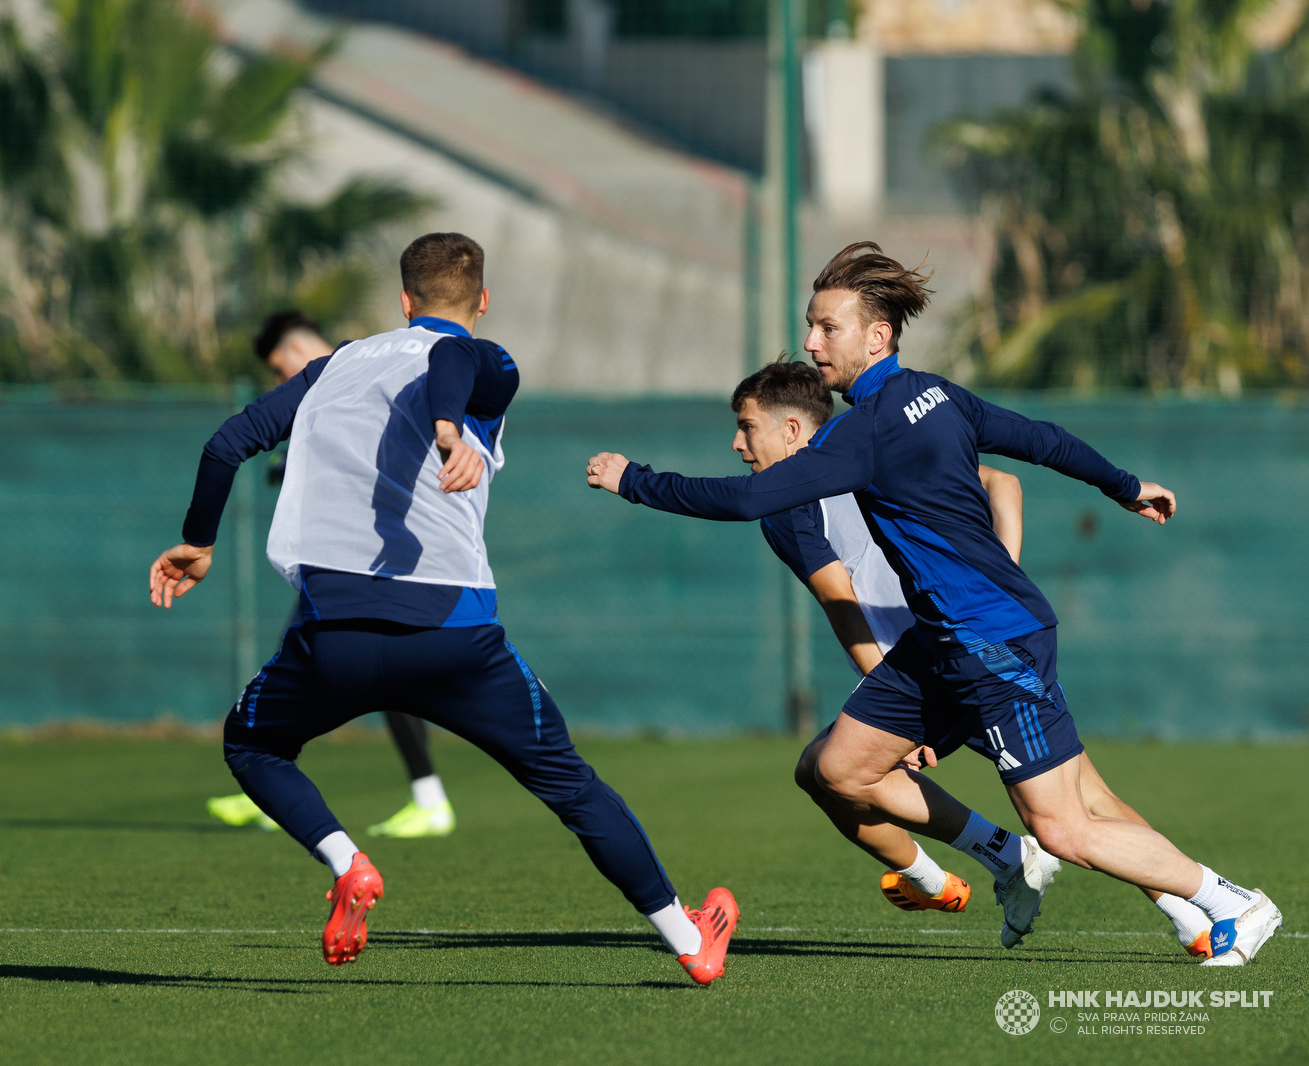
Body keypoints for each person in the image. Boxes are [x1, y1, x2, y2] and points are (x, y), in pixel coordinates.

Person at [586, 242, 1281, 967]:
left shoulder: (865, 429)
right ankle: (1011, 861)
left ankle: (1229, 901)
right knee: (840, 768)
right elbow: (1038, 442)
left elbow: (747, 497)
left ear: (877, 335)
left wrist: (635, 479)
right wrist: (1123, 483)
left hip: (993, 641)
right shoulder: (938, 395)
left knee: (1067, 826)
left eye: (828, 327)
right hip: (944, 642)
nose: (811, 341)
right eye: (811, 326)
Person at [150, 232, 738, 981]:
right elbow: (454, 356)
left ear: (403, 302)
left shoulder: (335, 368)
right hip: (454, 639)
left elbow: (226, 444)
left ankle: (347, 861)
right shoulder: (486, 364)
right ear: (482, 302)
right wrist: (447, 427)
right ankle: (689, 942)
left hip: (337, 636)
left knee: (251, 746)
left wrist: (196, 543)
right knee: (571, 785)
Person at [736, 358, 1215, 957]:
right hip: (970, 645)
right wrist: (998, 589)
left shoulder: (789, 504)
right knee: (1086, 795)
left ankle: (997, 862)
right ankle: (1188, 916)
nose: (737, 443)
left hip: (939, 664)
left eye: (747, 426)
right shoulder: (889, 447)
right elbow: (1004, 484)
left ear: (793, 431)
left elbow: (842, 603)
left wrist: (901, 702)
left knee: (834, 771)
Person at [205, 310, 457, 839]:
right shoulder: (350, 371)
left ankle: (425, 798)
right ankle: (271, 778)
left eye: (280, 368)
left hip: (370, 558)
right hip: (341, 557)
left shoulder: (348, 370)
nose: (280, 381)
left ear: (298, 351)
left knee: (381, 673)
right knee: (318, 662)